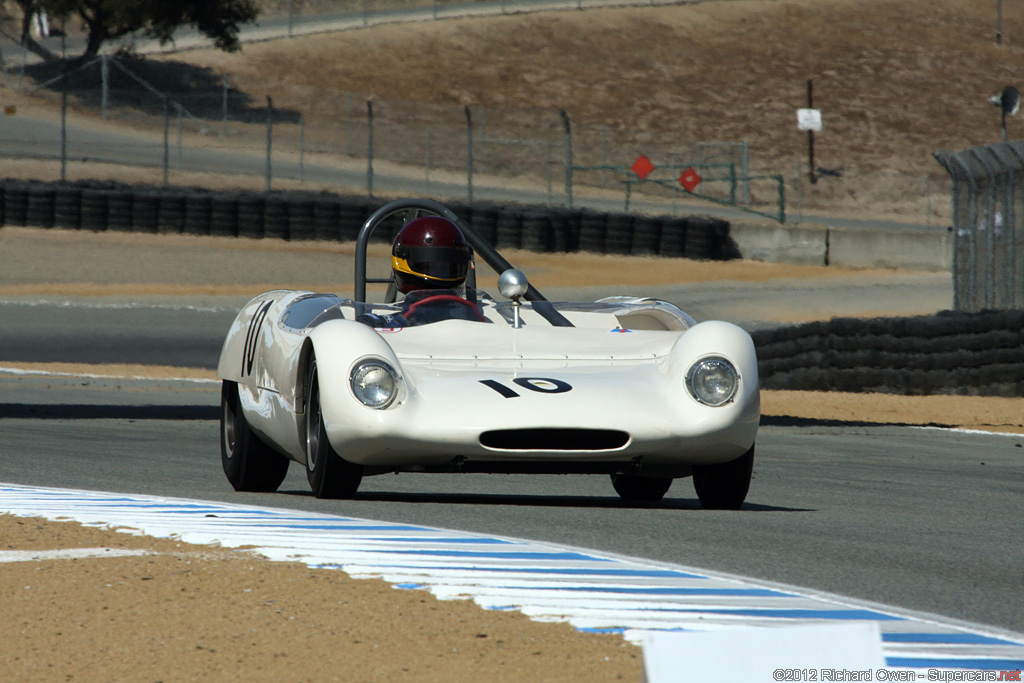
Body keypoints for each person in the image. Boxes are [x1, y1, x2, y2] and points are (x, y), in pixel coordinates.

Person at [357, 216, 486, 327]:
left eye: (447, 267)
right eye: (430, 266)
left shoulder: (472, 317)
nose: (441, 271)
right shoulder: (382, 323)